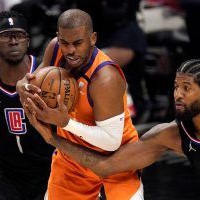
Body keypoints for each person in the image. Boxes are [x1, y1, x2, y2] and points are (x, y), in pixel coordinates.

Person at [26, 59, 200, 199]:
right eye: (176, 87)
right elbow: (106, 167)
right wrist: (53, 138)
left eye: (187, 88)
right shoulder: (170, 135)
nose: (178, 95)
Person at [17, 9, 143, 200]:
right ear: (58, 37)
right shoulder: (55, 48)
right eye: (65, 43)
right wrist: (23, 86)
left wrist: (66, 122)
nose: (70, 51)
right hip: (72, 157)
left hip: (116, 161)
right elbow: (35, 82)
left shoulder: (105, 78)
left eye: (77, 43)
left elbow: (111, 141)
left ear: (92, 38)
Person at [0, 11, 54, 200]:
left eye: (19, 35)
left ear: (28, 41)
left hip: (53, 170)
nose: (14, 41)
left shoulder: (50, 77)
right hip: (7, 174)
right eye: (6, 35)